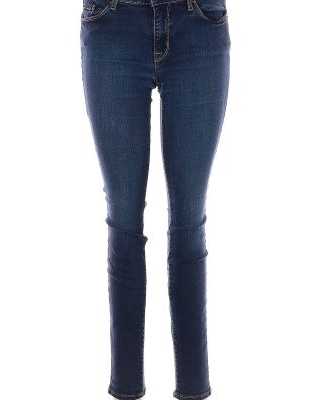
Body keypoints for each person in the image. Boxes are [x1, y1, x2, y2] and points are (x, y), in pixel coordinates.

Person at [80, 0, 230, 398]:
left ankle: (193, 389)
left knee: (189, 221)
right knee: (123, 218)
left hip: (199, 21)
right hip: (112, 20)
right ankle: (126, 388)